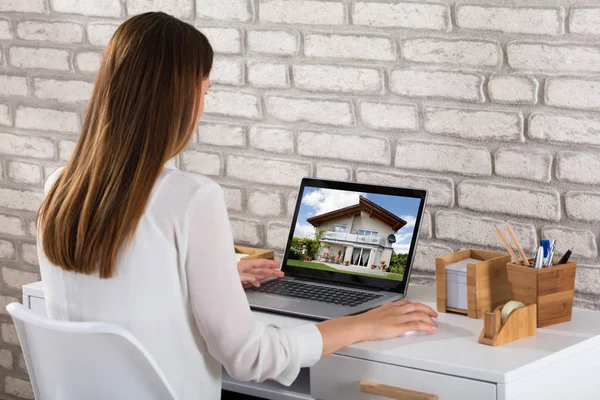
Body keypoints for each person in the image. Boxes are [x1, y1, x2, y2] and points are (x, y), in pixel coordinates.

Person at [36, 12, 438, 400]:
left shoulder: (60, 189)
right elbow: (249, 357)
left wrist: (217, 277)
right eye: (205, 91)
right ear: (179, 100)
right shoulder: (191, 198)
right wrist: (360, 326)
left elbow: (125, 289)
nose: (203, 107)